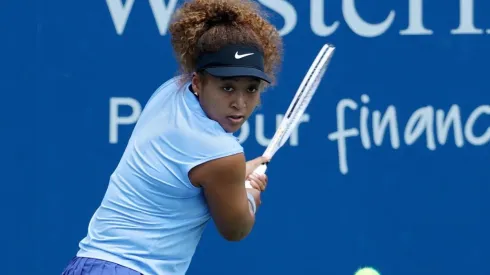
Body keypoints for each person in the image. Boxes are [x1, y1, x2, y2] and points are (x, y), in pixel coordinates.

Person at [62, 0, 283, 274]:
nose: (239, 102)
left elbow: (198, 174)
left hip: (86, 264)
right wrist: (251, 191)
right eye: (227, 87)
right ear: (198, 82)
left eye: (251, 89)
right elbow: (236, 228)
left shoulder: (171, 93)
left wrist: (238, 173)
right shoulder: (221, 154)